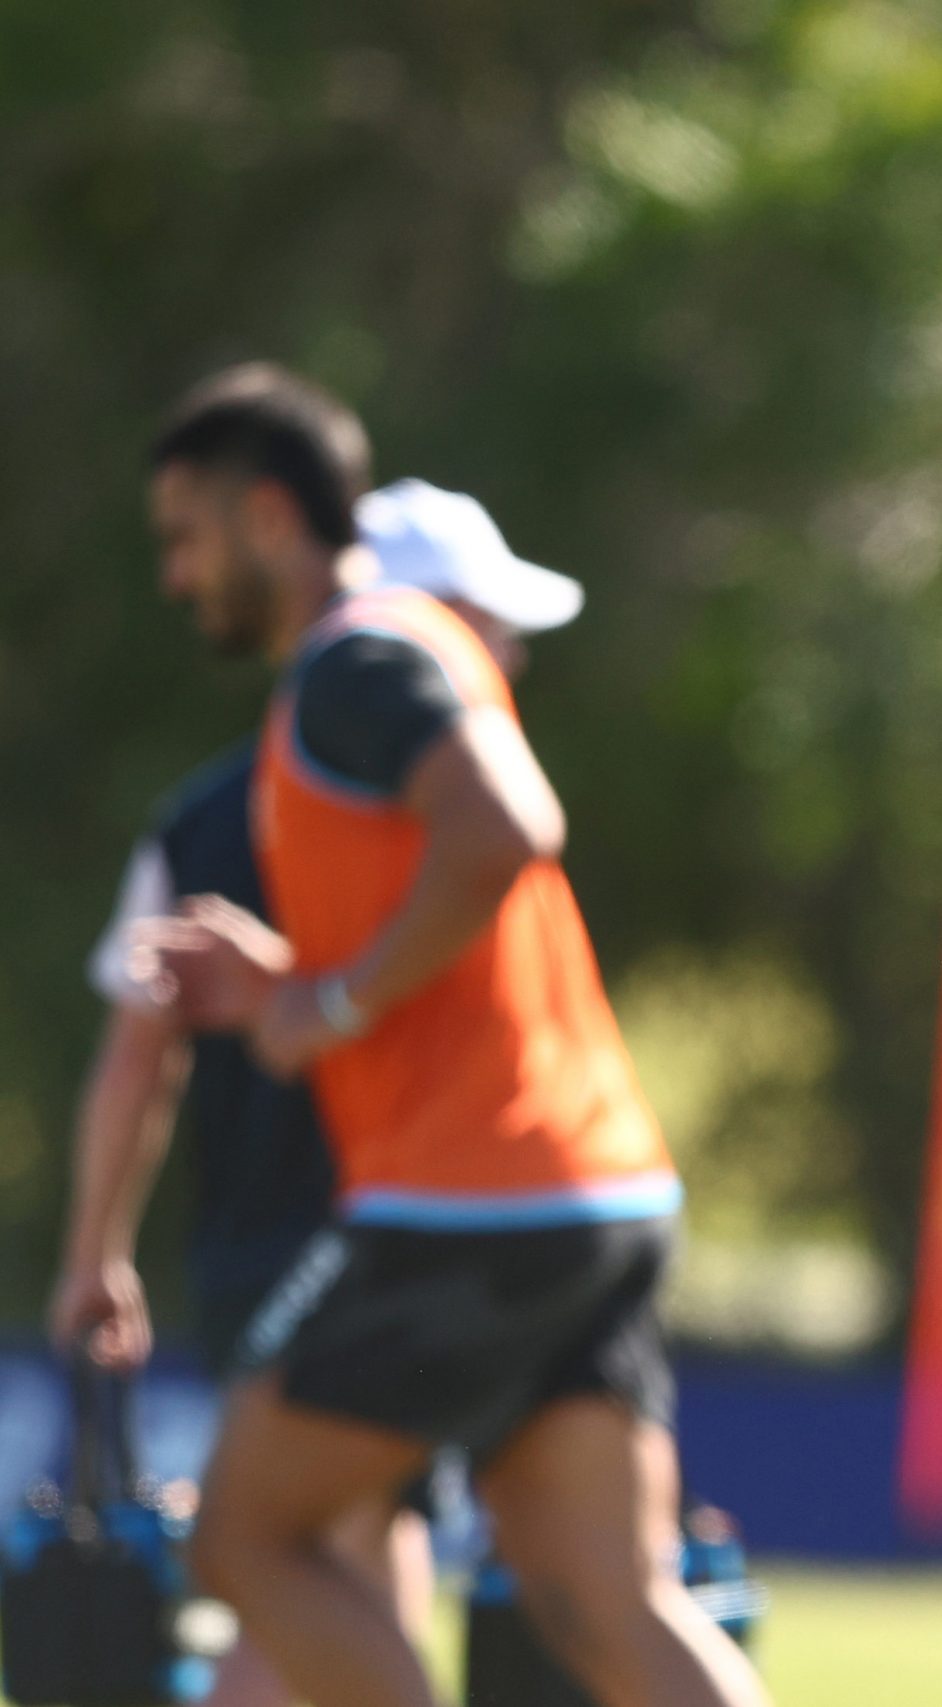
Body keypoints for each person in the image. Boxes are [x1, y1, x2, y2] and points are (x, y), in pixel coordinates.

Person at [131, 363, 768, 1707]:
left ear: (264, 515)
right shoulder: (403, 647)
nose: (177, 577)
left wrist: (327, 1002)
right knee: (602, 1595)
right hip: (599, 1185)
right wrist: (279, 992)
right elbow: (443, 913)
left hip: (469, 1202)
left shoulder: (354, 653)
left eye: (185, 537)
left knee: (242, 1535)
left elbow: (507, 826)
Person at [51, 472, 592, 1706]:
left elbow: (137, 1052)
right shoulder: (444, 806)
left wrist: (96, 1251)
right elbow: (148, 1046)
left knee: (326, 1551)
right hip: (396, 1228)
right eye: (475, 618)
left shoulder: (197, 813)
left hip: (299, 1241)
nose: (500, 650)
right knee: (317, 1553)